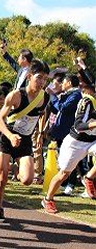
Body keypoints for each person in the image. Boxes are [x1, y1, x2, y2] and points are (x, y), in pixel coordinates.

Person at [0, 59, 50, 221]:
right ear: (29, 77)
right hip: (6, 138)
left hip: (24, 140)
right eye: (39, 77)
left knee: (27, 180)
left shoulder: (44, 97)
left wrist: (40, 133)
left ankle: (15, 168)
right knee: (2, 179)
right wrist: (11, 136)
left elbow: (42, 114)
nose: (42, 82)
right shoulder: (16, 95)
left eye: (45, 79)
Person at [42, 79, 96, 214]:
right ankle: (48, 199)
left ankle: (89, 178)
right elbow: (79, 125)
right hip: (75, 142)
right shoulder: (87, 102)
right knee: (64, 174)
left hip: (93, 140)